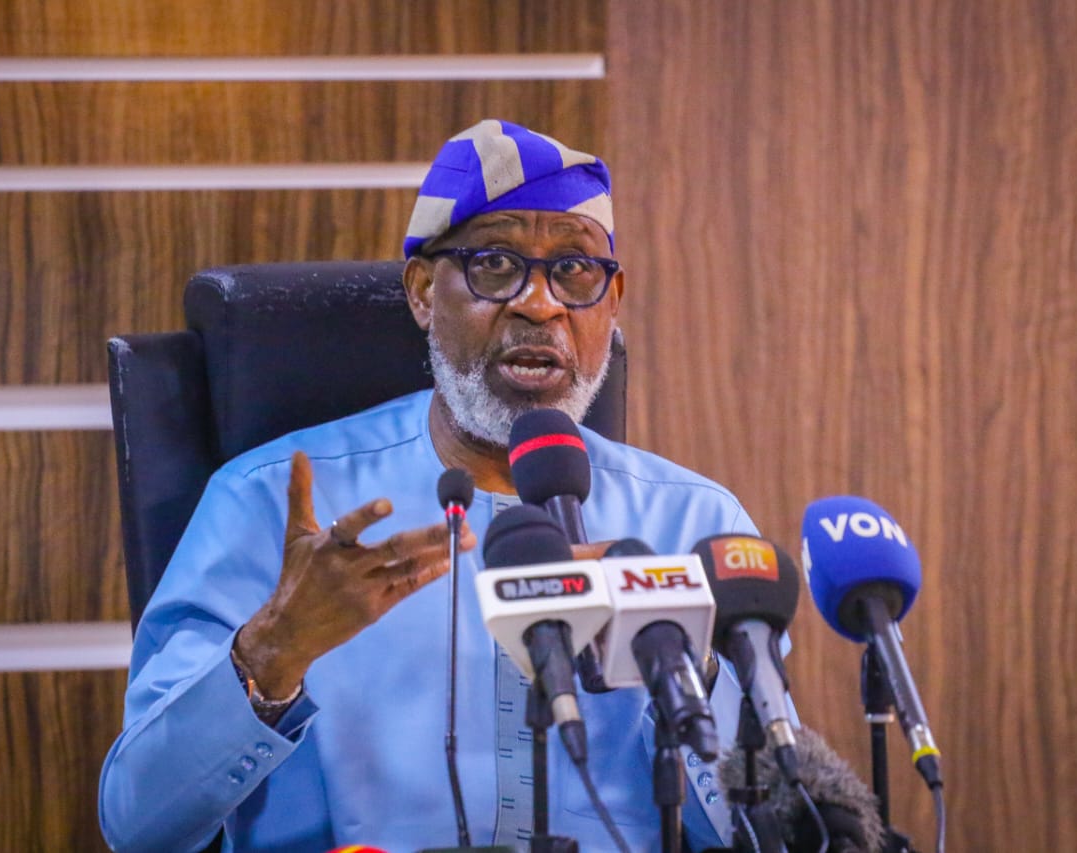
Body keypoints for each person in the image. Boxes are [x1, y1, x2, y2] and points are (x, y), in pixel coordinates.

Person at [99, 119, 767, 852]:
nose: (540, 303)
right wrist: (272, 651)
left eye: (575, 269)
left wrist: (685, 663)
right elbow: (137, 823)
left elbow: (772, 831)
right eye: (495, 264)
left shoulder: (694, 525)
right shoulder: (265, 501)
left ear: (612, 302)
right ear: (422, 291)